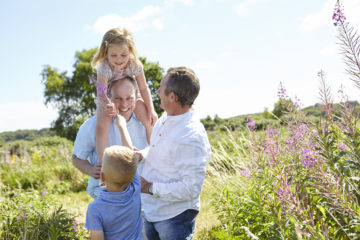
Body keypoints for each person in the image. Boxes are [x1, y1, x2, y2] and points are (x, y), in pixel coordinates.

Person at [140, 67, 212, 240]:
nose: (157, 91)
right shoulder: (165, 118)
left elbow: (191, 189)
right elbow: (160, 150)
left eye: (161, 88)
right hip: (151, 211)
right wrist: (141, 154)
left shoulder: (191, 136)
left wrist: (149, 187)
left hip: (174, 217)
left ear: (172, 96)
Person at [72, 76, 148, 199]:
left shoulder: (144, 122)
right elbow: (76, 158)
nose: (124, 104)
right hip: (105, 195)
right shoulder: (92, 124)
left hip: (140, 195)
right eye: (118, 98)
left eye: (129, 98)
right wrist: (89, 169)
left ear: (136, 97)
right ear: (109, 97)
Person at [92, 27, 157, 166]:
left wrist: (151, 109)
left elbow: (144, 88)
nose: (119, 59)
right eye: (113, 55)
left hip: (130, 96)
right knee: (101, 125)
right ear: (106, 53)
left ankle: (155, 155)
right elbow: (101, 90)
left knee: (148, 119)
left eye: (123, 55)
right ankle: (105, 165)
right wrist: (107, 104)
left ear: (130, 52)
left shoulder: (135, 65)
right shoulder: (104, 67)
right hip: (109, 98)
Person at [85, 145, 145, 240]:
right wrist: (122, 129)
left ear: (102, 177)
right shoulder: (135, 188)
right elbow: (129, 165)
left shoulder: (95, 209)